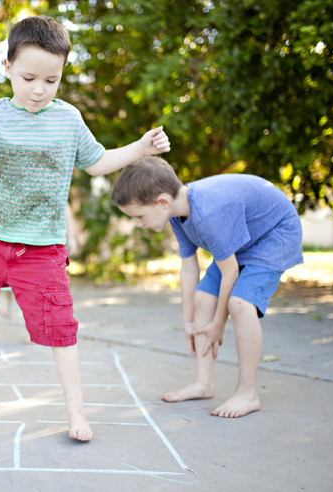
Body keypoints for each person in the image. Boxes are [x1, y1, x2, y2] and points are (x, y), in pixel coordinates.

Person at [0, 15, 170, 441]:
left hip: (42, 249)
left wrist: (140, 147)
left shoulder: (68, 119)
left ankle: (76, 413)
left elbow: (96, 162)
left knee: (62, 330)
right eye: (28, 78)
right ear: (6, 67)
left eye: (51, 80)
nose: (39, 89)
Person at [111, 156, 303, 418]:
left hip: (275, 234)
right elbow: (190, 267)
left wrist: (218, 323)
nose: (138, 223)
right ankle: (203, 383)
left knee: (240, 304)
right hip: (244, 240)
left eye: (139, 216)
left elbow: (230, 271)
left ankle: (248, 393)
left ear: (162, 202)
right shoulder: (178, 214)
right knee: (202, 298)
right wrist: (188, 322)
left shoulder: (208, 213)